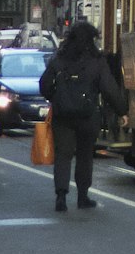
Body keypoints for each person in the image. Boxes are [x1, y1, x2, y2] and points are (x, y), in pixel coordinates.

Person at [38, 22, 127, 212]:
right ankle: (82, 196)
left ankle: (61, 196)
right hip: (88, 115)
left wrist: (56, 98)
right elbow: (109, 89)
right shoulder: (97, 62)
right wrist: (122, 111)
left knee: (63, 154)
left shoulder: (59, 59)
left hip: (62, 116)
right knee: (85, 155)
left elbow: (44, 85)